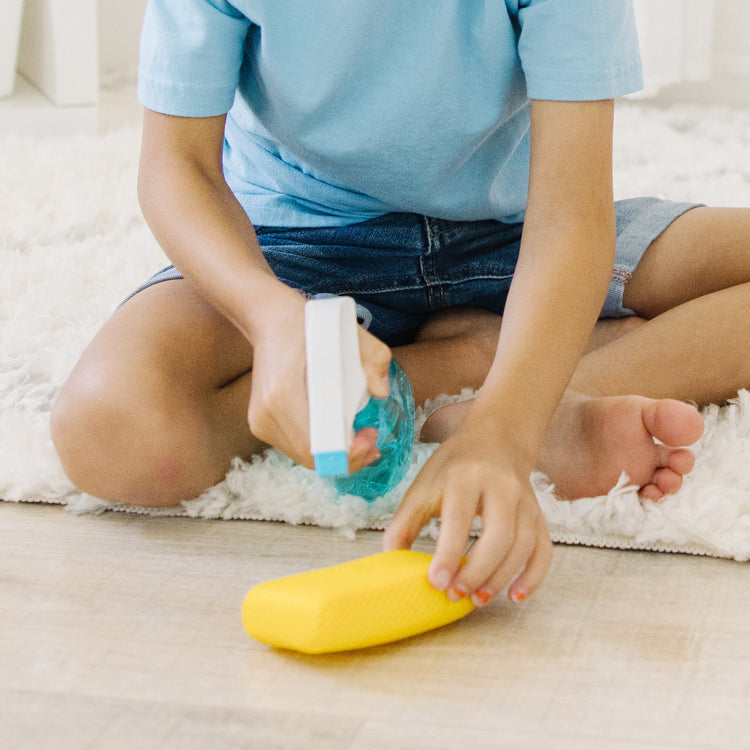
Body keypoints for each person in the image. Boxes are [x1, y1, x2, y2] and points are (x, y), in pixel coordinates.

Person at [57, 0, 750, 612]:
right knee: (110, 427)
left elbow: (570, 217)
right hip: (300, 242)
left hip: (515, 232)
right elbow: (177, 167)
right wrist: (271, 318)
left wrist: (504, 434)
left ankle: (509, 398)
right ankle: (470, 359)